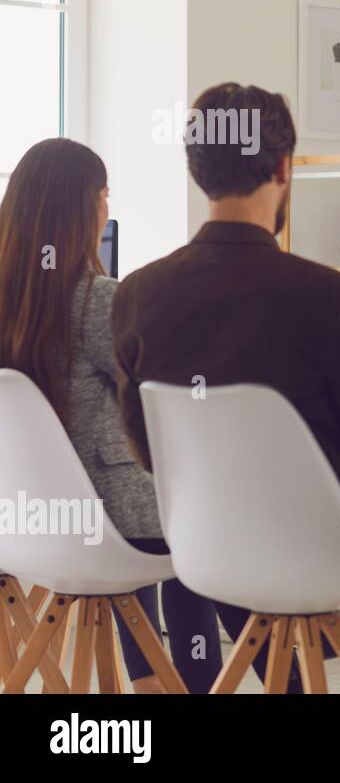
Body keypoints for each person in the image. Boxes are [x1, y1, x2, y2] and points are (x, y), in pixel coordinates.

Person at [111, 82, 340, 694]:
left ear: (196, 168)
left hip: (208, 544)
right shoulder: (326, 295)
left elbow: (146, 449)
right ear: (284, 168)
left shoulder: (137, 294)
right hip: (326, 544)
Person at [0, 138, 226, 693]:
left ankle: (151, 681)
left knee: (147, 510)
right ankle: (188, 684)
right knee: (191, 528)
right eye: (104, 194)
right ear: (83, 210)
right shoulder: (96, 300)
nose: (108, 207)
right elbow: (168, 392)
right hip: (107, 530)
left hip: (20, 529)